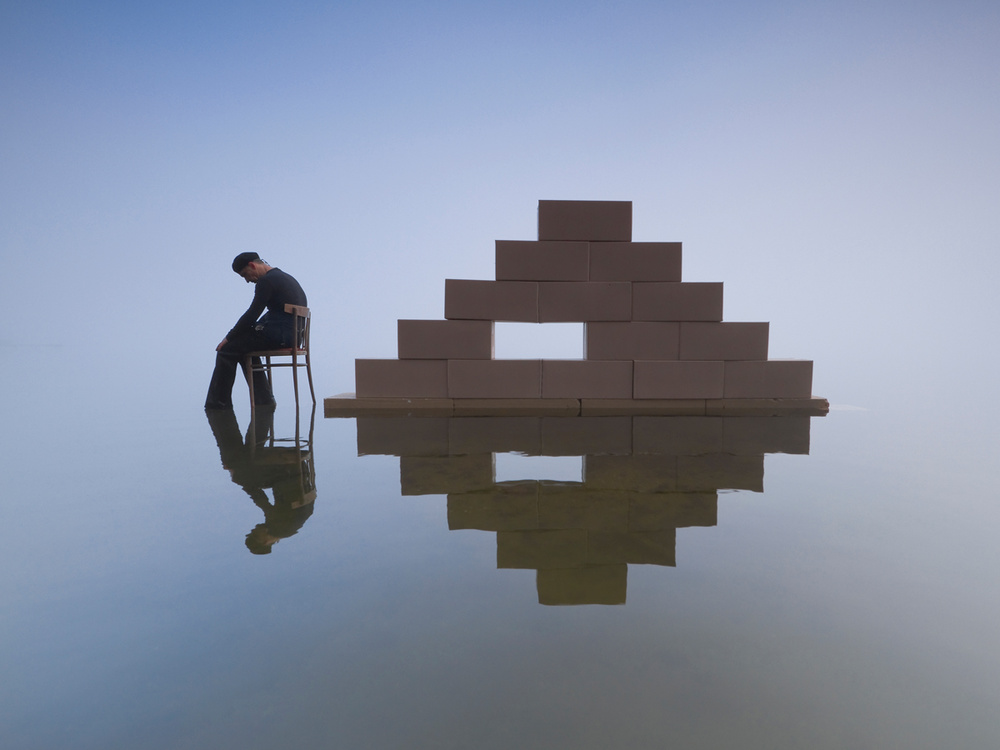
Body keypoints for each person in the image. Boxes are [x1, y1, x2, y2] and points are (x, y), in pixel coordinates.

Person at [205, 252, 308, 409]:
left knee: (227, 350)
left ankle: (217, 406)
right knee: (242, 347)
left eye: (245, 275)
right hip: (292, 336)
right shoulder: (284, 277)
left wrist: (228, 337)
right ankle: (264, 401)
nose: (247, 281)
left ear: (253, 265)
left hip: (280, 335)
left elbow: (252, 314)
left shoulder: (266, 281)